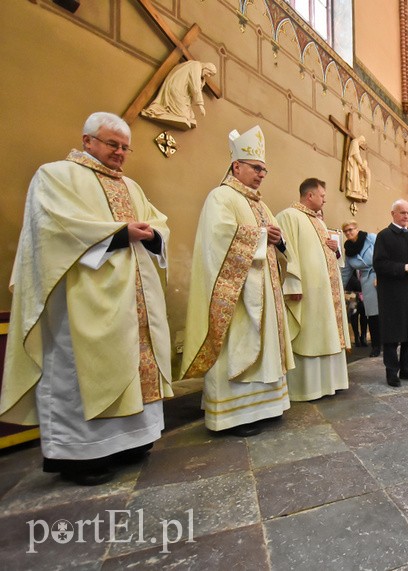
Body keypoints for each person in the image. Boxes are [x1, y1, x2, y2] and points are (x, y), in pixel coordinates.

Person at [0, 112, 172, 486]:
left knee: (132, 363)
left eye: (125, 147)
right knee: (83, 369)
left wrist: (152, 232)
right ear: (88, 140)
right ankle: (82, 456)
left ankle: (131, 442)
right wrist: (118, 233)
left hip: (133, 297)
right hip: (83, 297)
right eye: (113, 144)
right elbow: (54, 228)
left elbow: (157, 221)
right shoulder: (55, 176)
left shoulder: (131, 186)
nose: (120, 153)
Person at [181, 126, 293, 437]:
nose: (261, 175)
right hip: (237, 294)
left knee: (265, 347)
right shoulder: (221, 196)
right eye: (257, 168)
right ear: (236, 166)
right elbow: (218, 239)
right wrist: (259, 236)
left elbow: (277, 240)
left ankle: (265, 407)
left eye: (264, 170)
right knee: (236, 347)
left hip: (264, 292)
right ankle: (236, 414)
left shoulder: (260, 203)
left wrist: (278, 240)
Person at [276, 178, 350, 401]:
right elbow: (286, 254)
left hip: (326, 293)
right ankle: (308, 388)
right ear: (310, 196)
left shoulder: (319, 221)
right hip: (307, 291)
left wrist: (336, 250)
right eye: (322, 196)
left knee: (326, 333)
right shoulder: (288, 216)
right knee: (310, 335)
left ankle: (330, 383)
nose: (325, 200)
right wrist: (292, 285)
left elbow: (329, 255)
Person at [373, 200, 408, 386]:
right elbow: (379, 264)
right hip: (393, 294)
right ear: (393, 214)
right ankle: (391, 371)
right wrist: (404, 267)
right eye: (402, 212)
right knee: (393, 334)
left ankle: (407, 367)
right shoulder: (384, 236)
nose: (406, 216)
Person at [341, 219, 381, 357]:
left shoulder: (371, 238)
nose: (348, 233)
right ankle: (376, 346)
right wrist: (339, 288)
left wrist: (380, 274)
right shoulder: (349, 250)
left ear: (356, 229)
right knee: (372, 315)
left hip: (381, 276)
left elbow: (382, 255)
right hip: (367, 282)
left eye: (350, 229)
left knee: (386, 312)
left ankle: (391, 341)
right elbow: (346, 271)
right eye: (345, 231)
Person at [141, 60, 217, 129]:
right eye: (209, 73)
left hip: (181, 91)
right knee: (183, 115)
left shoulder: (195, 67)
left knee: (189, 115)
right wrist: (200, 105)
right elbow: (195, 86)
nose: (208, 76)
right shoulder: (196, 66)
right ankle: (159, 110)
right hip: (176, 90)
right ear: (206, 67)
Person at [345, 135, 370, 202]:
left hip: (355, 164)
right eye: (361, 142)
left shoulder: (356, 143)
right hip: (353, 163)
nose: (361, 144)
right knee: (354, 177)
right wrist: (361, 164)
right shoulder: (354, 142)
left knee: (356, 177)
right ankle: (352, 191)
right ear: (360, 140)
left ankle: (355, 191)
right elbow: (356, 154)